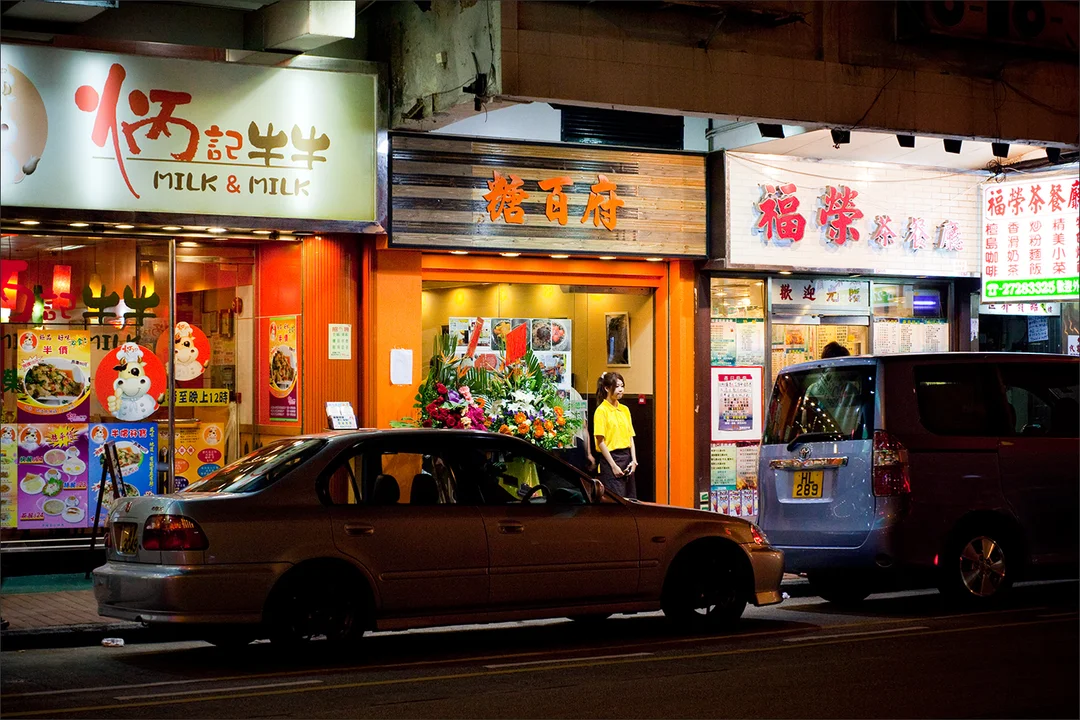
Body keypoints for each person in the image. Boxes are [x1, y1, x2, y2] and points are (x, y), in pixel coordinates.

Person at [593, 371, 638, 499]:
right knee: (616, 501)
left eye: (622, 386)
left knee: (631, 500)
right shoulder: (601, 411)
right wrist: (613, 466)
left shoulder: (625, 409)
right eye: (617, 386)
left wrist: (634, 460)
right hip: (610, 459)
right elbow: (600, 442)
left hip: (626, 459)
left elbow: (630, 436)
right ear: (607, 388)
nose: (620, 390)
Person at [553, 377, 596, 475]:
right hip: (576, 444)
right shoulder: (576, 394)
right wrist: (588, 453)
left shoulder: (549, 393)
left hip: (556, 446)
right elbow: (584, 426)